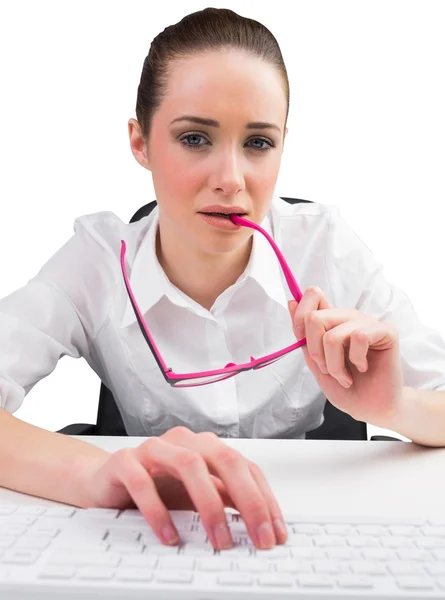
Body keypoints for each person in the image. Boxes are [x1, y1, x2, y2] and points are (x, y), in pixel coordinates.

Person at [1, 7, 445, 553]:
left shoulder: (325, 245)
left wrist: (394, 405)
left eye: (258, 143)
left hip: (307, 534)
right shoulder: (96, 262)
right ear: (139, 143)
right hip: (162, 540)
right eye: (194, 139)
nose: (231, 181)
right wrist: (94, 475)